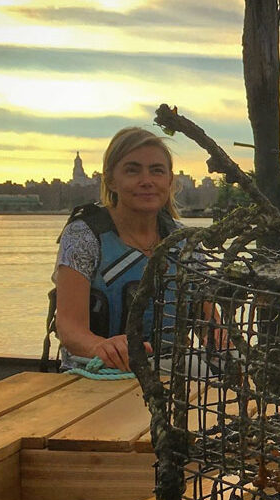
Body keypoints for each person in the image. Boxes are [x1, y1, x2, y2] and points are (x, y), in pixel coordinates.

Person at [51, 126, 183, 372]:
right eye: (133, 171)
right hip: (95, 372)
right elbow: (69, 328)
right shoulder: (84, 235)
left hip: (169, 372)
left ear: (169, 180)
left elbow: (210, 324)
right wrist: (100, 347)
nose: (147, 181)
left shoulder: (182, 240)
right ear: (111, 180)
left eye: (156, 171)